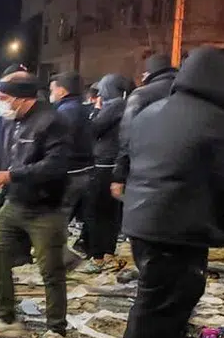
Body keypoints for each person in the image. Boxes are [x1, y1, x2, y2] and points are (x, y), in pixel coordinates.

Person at [100, 47, 224, 338]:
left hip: (143, 221)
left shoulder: (151, 111)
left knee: (158, 304)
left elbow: (128, 157)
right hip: (181, 228)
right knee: (157, 310)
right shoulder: (219, 121)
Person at [0, 72, 72, 338]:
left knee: (51, 269)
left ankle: (56, 330)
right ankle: (6, 317)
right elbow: (2, 155)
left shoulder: (53, 122)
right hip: (14, 203)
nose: (0, 103)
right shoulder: (8, 119)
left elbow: (55, 166)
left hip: (45, 208)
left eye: (3, 98)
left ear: (23, 98)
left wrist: (11, 175)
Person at [113, 53, 178, 197]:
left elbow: (127, 136)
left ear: (148, 73)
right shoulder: (185, 92)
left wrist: (120, 175)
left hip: (145, 170)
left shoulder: (141, 95)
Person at [82, 74, 127, 272]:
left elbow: (93, 129)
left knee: (96, 211)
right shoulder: (126, 105)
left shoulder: (114, 106)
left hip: (103, 165)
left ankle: (98, 254)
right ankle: (107, 251)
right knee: (111, 212)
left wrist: (95, 109)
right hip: (115, 164)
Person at [49, 72, 94, 255]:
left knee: (58, 215)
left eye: (52, 89)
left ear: (62, 90)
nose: (51, 92)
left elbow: (59, 144)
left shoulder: (65, 112)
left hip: (70, 172)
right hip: (85, 169)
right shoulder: (84, 108)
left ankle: (58, 257)